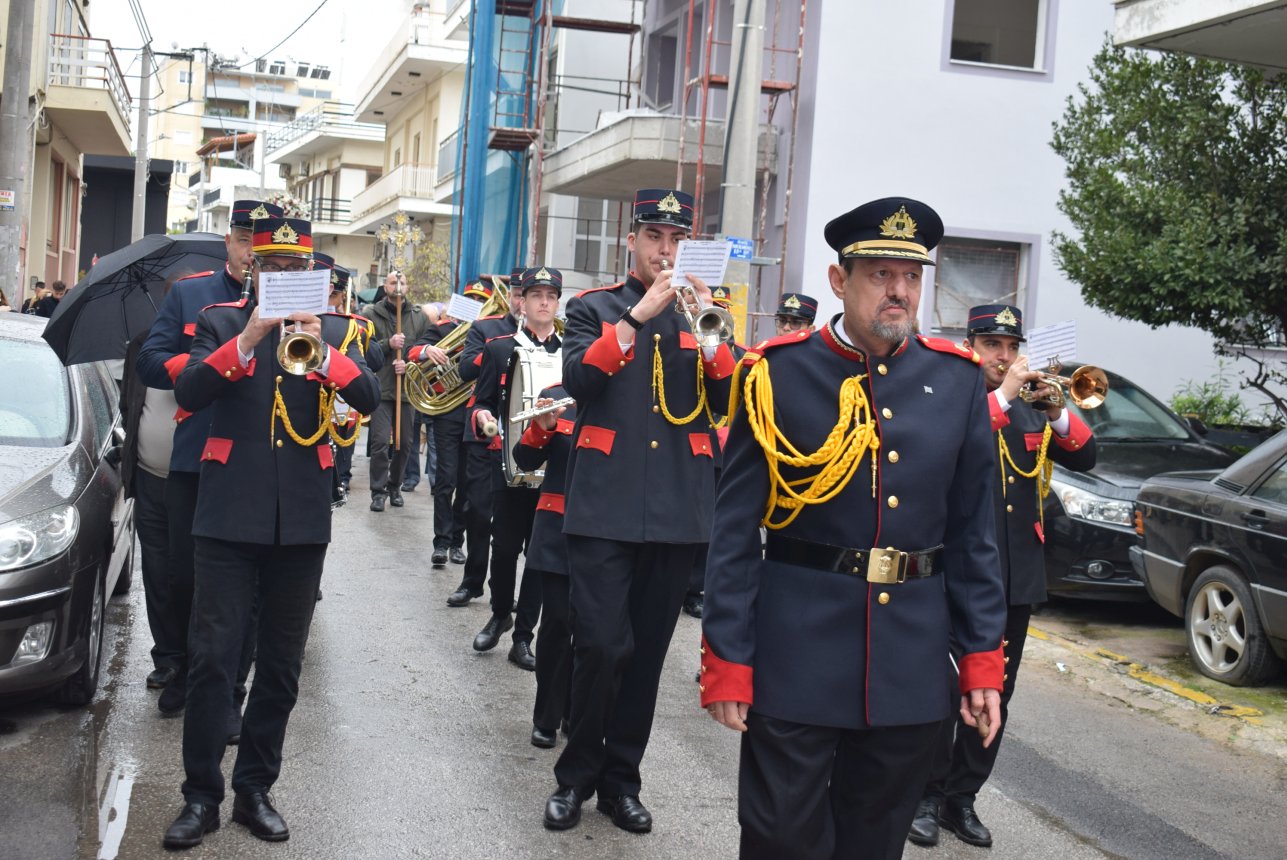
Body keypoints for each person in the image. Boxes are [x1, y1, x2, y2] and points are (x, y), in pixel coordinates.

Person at [700, 196, 1008, 860]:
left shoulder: (956, 382)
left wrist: (981, 660)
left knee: (874, 844)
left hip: (909, 661)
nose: (899, 291)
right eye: (881, 275)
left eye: (911, 276)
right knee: (779, 839)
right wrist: (727, 657)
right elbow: (734, 533)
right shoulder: (774, 374)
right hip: (795, 651)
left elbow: (973, 537)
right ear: (839, 280)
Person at [161, 216, 380, 849]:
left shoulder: (337, 331)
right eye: (273, 267)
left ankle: (254, 789)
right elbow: (190, 389)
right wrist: (250, 338)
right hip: (228, 514)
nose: (284, 276)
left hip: (301, 520)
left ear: (311, 272)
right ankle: (200, 796)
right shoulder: (221, 322)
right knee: (212, 660)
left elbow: (369, 397)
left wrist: (325, 352)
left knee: (282, 667)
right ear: (254, 269)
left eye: (295, 268)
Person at [543, 188, 737, 833]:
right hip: (604, 504)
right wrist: (636, 317)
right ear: (632, 241)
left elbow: (728, 396)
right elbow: (580, 380)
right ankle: (574, 777)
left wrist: (710, 333)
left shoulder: (704, 314)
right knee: (600, 646)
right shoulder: (593, 307)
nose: (666, 250)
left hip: (677, 507)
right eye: (655, 237)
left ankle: (621, 781)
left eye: (677, 240)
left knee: (648, 655)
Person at [908, 304, 1097, 849]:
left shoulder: (1033, 410)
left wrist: (1056, 410)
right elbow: (944, 448)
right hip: (955, 570)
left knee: (997, 691)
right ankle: (924, 794)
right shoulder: (954, 395)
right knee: (944, 689)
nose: (1005, 356)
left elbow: (1086, 455)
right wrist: (1006, 395)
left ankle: (961, 798)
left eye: (1012, 347)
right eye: (993, 345)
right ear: (971, 346)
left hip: (1014, 573)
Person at [137, 200, 284, 721]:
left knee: (248, 590)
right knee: (185, 576)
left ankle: (229, 691)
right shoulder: (191, 293)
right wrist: (204, 365)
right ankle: (182, 668)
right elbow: (149, 361)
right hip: (195, 457)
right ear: (229, 242)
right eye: (243, 241)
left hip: (254, 463)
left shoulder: (293, 304)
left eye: (259, 246)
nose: (249, 253)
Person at [465, 266, 563, 669]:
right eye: (536, 295)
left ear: (557, 304)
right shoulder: (499, 348)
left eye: (550, 296)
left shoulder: (572, 352)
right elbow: (480, 402)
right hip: (508, 464)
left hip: (554, 468)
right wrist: (484, 419)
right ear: (522, 301)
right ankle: (500, 612)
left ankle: (523, 637)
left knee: (538, 555)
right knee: (504, 549)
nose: (543, 302)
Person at [446, 275, 524, 606]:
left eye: (528, 295)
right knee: (478, 510)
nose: (522, 302)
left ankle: (507, 592)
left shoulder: (554, 338)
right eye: (518, 295)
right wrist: (502, 347)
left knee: (516, 521)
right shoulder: (485, 328)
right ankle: (472, 582)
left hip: (526, 437)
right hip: (485, 433)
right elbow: (466, 369)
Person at [513, 383, 577, 747]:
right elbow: (525, 460)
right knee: (556, 625)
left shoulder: (634, 395)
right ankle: (547, 716)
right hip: (557, 528)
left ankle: (575, 710)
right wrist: (543, 427)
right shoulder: (560, 394)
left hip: (610, 531)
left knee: (595, 631)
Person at [407, 301, 471, 568]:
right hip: (447, 413)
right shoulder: (442, 329)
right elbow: (412, 352)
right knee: (446, 481)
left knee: (467, 484)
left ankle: (457, 542)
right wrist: (428, 350)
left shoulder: (488, 331)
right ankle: (442, 543)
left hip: (475, 415)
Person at [361, 270, 430, 512]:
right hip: (381, 388)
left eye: (401, 282)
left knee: (404, 444)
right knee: (380, 442)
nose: (397, 286)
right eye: (393, 282)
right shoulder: (370, 314)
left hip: (407, 390)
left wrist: (409, 364)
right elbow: (363, 348)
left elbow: (428, 349)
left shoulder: (419, 317)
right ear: (385, 286)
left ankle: (394, 485)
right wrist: (387, 344)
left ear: (407, 287)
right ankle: (377, 491)